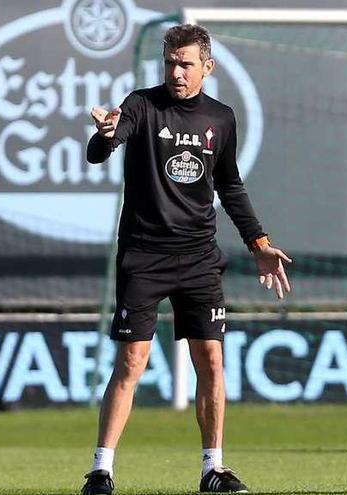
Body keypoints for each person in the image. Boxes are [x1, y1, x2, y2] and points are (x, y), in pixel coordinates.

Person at [80, 24, 292, 494]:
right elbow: (102, 149)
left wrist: (258, 244)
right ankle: (100, 469)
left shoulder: (222, 118)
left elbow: (230, 186)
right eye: (171, 62)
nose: (177, 72)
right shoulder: (141, 105)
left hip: (199, 258)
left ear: (206, 68)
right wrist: (104, 135)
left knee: (211, 362)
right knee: (132, 362)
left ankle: (213, 468)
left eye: (186, 64)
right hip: (144, 255)